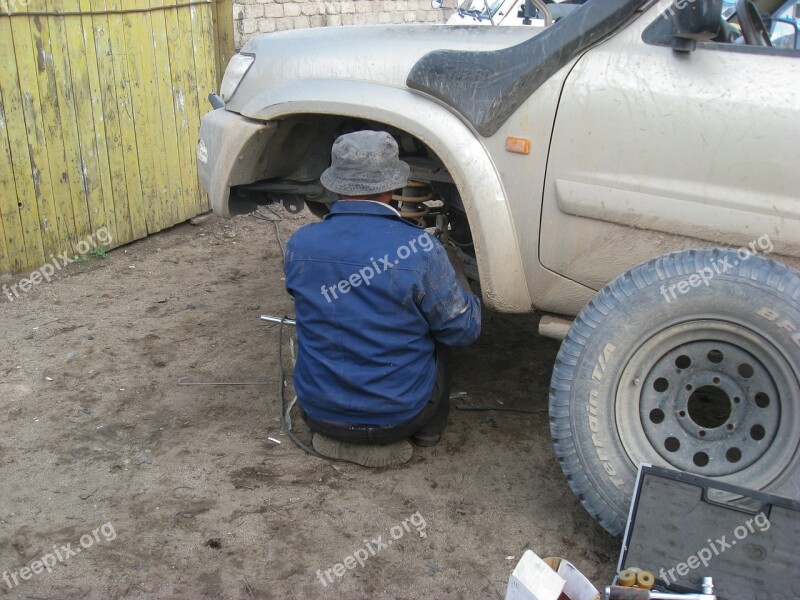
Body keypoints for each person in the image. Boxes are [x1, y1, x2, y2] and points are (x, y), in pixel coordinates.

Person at [284, 130, 481, 467]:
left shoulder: (299, 245)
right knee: (442, 330)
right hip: (401, 419)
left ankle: (342, 433)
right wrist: (463, 287)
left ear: (334, 184)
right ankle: (428, 432)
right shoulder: (420, 251)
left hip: (318, 414)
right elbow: (464, 331)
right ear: (393, 186)